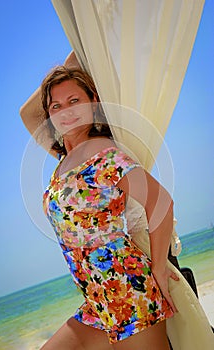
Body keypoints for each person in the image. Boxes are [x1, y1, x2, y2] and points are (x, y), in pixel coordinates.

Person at [30, 64, 181, 350]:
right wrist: (76, 49)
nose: (66, 111)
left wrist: (159, 268)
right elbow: (26, 114)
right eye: (56, 106)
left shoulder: (104, 153)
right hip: (97, 301)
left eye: (75, 101)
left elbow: (160, 202)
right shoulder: (62, 161)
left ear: (94, 103)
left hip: (128, 292)